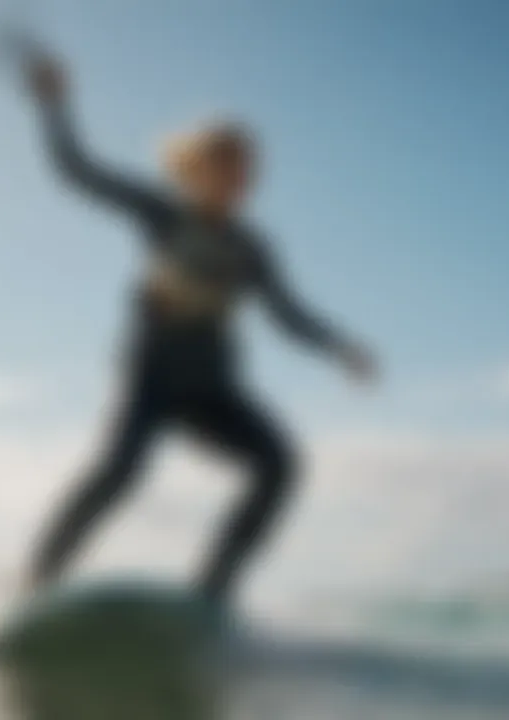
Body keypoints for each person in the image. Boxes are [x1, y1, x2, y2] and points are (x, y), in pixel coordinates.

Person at [20, 49, 378, 602]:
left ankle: (212, 594)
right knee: (120, 473)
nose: (242, 178)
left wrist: (338, 346)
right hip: (153, 378)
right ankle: (38, 585)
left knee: (279, 464)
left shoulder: (252, 248)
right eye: (230, 165)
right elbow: (77, 171)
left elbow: (287, 315)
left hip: (212, 389)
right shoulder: (161, 213)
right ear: (198, 169)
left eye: (248, 169)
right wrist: (55, 105)